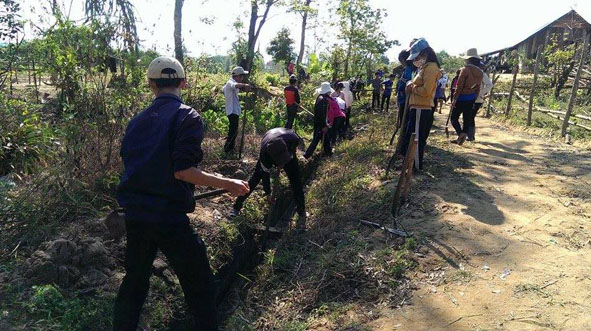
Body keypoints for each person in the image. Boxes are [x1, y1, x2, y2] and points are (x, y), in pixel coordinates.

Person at [114, 56, 250, 331]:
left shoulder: (136, 122)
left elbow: (136, 165)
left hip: (136, 217)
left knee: (134, 283)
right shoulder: (187, 116)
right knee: (200, 285)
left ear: (151, 84)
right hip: (169, 220)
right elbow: (183, 171)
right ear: (184, 83)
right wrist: (228, 184)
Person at [231, 128, 307, 229]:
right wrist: (268, 193)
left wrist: (287, 157)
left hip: (286, 146)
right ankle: (236, 206)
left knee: (296, 179)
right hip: (270, 138)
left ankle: (301, 212)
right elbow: (265, 175)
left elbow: (294, 148)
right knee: (255, 179)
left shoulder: (293, 139)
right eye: (279, 162)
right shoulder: (265, 156)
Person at [400, 39, 442, 170]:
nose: (415, 60)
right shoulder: (424, 68)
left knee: (416, 140)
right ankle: (409, 163)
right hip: (416, 107)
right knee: (412, 137)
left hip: (421, 108)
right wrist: (410, 85)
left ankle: (415, 166)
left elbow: (426, 91)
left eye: (417, 57)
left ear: (425, 54)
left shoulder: (431, 68)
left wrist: (412, 88)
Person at [450, 48, 484, 145]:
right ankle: (463, 135)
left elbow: (459, 86)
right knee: (466, 119)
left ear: (468, 59)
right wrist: (474, 97)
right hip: (471, 98)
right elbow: (478, 87)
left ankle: (460, 134)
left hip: (461, 98)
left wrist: (454, 99)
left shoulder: (465, 70)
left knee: (454, 118)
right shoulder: (480, 72)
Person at [223, 66, 251, 154]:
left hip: (234, 110)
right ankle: (228, 149)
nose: (242, 78)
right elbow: (234, 85)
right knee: (233, 131)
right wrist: (245, 85)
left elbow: (223, 89)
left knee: (234, 131)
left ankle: (230, 149)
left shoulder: (230, 83)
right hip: (232, 111)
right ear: (237, 76)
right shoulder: (231, 82)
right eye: (241, 76)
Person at [304, 82, 333, 158]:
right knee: (316, 140)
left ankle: (329, 153)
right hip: (320, 124)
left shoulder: (320, 98)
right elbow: (321, 115)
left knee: (325, 139)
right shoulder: (323, 100)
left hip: (320, 123)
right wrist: (324, 125)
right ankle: (306, 155)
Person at [471, 68, 493, 141]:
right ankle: (468, 134)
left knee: (470, 116)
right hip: (467, 97)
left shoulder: (481, 74)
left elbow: (489, 85)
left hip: (477, 99)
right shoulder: (467, 71)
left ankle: (470, 135)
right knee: (467, 116)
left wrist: (480, 93)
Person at [395, 50, 416, 127]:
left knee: (405, 123)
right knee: (402, 122)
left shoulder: (410, 70)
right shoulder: (406, 69)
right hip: (401, 99)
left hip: (406, 100)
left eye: (401, 60)